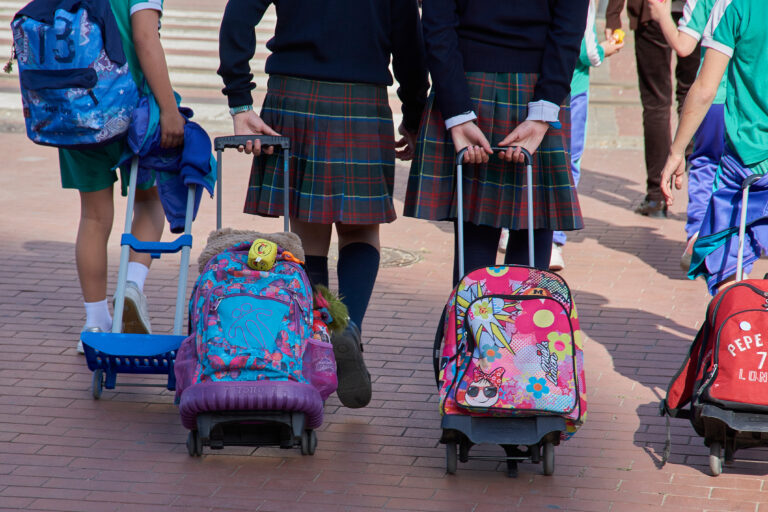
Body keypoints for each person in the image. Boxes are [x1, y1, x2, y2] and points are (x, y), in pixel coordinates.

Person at [217, 0, 429, 408]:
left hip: (294, 95)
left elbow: (238, 17)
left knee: (308, 235)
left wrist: (240, 100)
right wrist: (415, 115)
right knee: (361, 229)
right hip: (362, 97)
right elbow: (409, 44)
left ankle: (320, 342)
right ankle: (347, 330)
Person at [404, 0, 589, 283]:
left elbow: (437, 23)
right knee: (533, 232)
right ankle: (518, 326)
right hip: (536, 86)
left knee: (477, 239)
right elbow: (569, 26)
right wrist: (545, 107)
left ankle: (467, 325)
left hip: (470, 85)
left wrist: (457, 109)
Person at [63, 0, 185, 353]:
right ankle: (131, 287)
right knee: (149, 201)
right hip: (130, 109)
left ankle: (95, 321)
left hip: (74, 109)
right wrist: (169, 110)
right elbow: (145, 39)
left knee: (94, 215)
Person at [660, 0, 768, 294]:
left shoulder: (741, 8)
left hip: (745, 162)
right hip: (745, 163)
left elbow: (705, 88)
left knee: (727, 274)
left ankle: (737, 331)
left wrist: (677, 151)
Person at [648, 0, 727, 271]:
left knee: (705, 163)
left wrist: (661, 15)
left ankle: (697, 233)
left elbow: (683, 46)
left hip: (714, 97)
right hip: (753, 103)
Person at [606, 0, 701, 218]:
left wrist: (613, 15)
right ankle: (699, 193)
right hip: (695, 10)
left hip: (653, 10)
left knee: (656, 103)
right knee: (692, 96)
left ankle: (656, 197)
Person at [550, 0, 624, 271]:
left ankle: (516, 228)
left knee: (535, 160)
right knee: (569, 163)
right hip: (572, 89)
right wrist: (606, 49)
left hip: (542, 84)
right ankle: (553, 240)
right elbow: (586, 51)